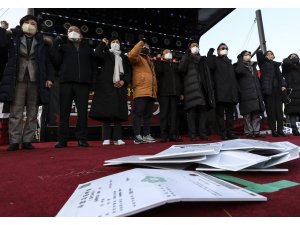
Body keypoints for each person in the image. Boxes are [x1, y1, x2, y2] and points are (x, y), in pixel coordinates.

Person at [0, 15, 53, 151]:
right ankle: (14, 141)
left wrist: (49, 78)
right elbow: (1, 44)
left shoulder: (42, 42)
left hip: (36, 80)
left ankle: (27, 140)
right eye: (27, 22)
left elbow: (47, 62)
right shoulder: (14, 37)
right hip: (17, 79)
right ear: (22, 24)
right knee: (16, 111)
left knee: (33, 112)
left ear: (37, 28)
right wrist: (2, 29)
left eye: (33, 23)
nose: (30, 25)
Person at [50, 26, 96, 148]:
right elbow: (55, 61)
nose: (73, 33)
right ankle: (62, 139)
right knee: (64, 112)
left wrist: (92, 83)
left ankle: (82, 138)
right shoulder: (63, 47)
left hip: (83, 84)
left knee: (82, 113)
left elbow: (93, 67)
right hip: (66, 82)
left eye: (75, 31)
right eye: (70, 31)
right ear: (67, 35)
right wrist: (55, 44)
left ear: (81, 35)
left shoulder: (88, 49)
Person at [89, 37, 131, 145]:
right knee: (106, 113)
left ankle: (118, 138)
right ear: (110, 44)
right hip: (106, 87)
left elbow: (129, 73)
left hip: (119, 87)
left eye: (117, 42)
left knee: (118, 113)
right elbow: (96, 55)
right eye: (113, 42)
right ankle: (106, 138)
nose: (115, 43)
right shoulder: (106, 54)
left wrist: (123, 81)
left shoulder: (124, 57)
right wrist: (103, 43)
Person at [178, 40, 215, 141]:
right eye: (193, 46)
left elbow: (207, 74)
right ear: (189, 48)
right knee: (191, 114)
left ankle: (202, 133)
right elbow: (181, 69)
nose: (195, 47)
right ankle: (192, 135)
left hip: (202, 90)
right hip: (191, 90)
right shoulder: (186, 58)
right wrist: (186, 56)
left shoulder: (203, 59)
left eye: (197, 45)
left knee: (203, 113)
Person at [128, 39, 157, 144]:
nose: (147, 47)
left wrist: (155, 91)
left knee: (148, 115)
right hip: (140, 90)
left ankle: (146, 134)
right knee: (138, 114)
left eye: (148, 46)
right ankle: (136, 135)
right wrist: (141, 43)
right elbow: (131, 55)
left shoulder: (150, 60)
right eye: (145, 46)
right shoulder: (137, 58)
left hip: (151, 91)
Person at [207, 43, 239, 140]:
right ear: (218, 51)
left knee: (230, 116)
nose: (224, 49)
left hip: (231, 93)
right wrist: (210, 53)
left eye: (226, 48)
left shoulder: (230, 62)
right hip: (220, 93)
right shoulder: (215, 60)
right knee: (220, 116)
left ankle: (230, 132)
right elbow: (210, 66)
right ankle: (222, 133)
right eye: (222, 48)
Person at [235, 50, 265, 138]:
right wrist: (240, 60)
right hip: (245, 94)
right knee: (247, 115)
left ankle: (256, 132)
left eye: (249, 54)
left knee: (256, 114)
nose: (248, 56)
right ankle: (248, 133)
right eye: (246, 55)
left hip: (256, 93)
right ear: (241, 57)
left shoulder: (253, 66)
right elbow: (239, 72)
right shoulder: (238, 66)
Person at [155, 49, 183, 142]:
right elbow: (158, 72)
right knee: (164, 115)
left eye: (169, 52)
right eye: (166, 52)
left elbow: (180, 79)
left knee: (174, 115)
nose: (168, 53)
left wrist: (181, 92)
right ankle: (163, 135)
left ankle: (173, 135)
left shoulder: (176, 64)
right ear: (163, 55)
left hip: (175, 94)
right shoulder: (161, 63)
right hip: (164, 93)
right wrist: (159, 59)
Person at [257, 50, 287, 137]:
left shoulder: (276, 65)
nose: (270, 55)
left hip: (278, 90)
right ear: (265, 56)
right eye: (268, 54)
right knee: (271, 111)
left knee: (279, 111)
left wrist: (283, 85)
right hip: (268, 90)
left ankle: (280, 130)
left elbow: (281, 77)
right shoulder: (263, 63)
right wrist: (260, 52)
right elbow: (259, 57)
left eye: (271, 54)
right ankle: (273, 130)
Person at [282, 53, 300, 136]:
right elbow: (285, 63)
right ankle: (294, 129)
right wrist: (289, 59)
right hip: (291, 91)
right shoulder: (287, 67)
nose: (294, 57)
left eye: (296, 56)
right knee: (292, 111)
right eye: (292, 56)